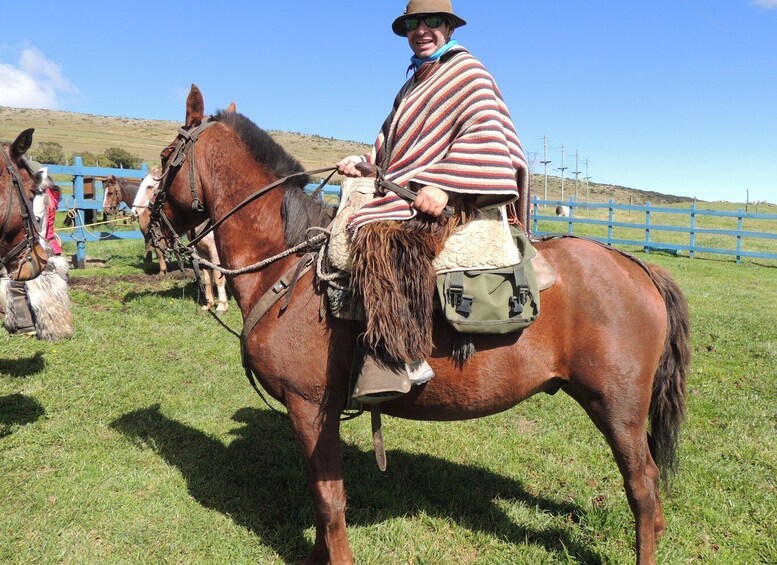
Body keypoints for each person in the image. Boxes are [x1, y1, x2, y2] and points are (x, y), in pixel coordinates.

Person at [336, 0, 529, 403]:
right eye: (414, 23)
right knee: (359, 216)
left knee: (382, 235)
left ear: (450, 27)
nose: (422, 29)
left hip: (460, 195)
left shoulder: (467, 72)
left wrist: (447, 186)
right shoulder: (412, 83)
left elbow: (485, 136)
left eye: (433, 21)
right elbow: (395, 148)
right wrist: (365, 164)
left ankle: (404, 355)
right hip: (412, 188)